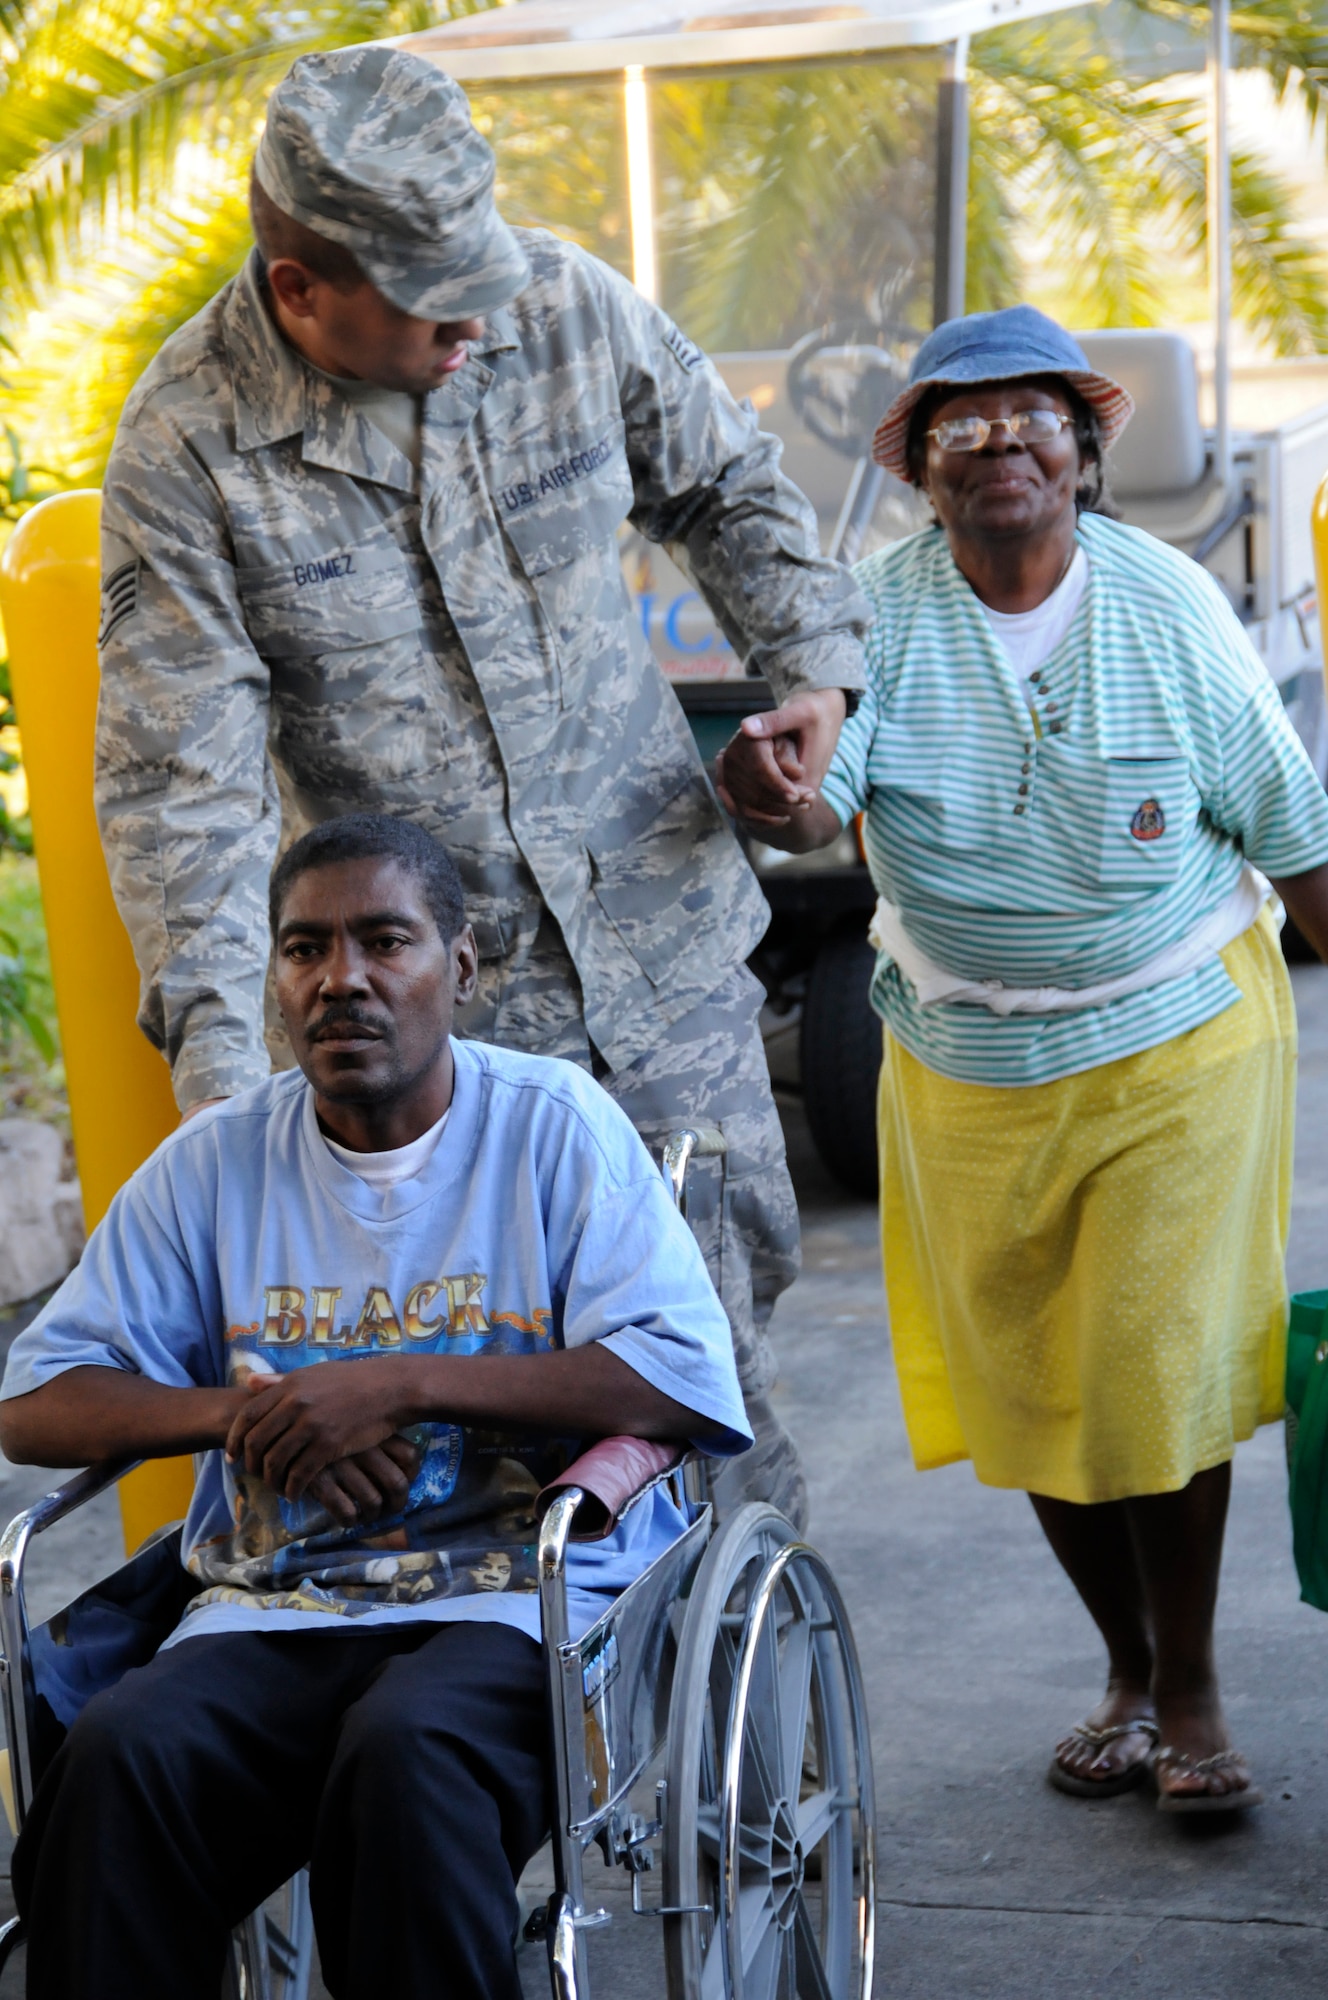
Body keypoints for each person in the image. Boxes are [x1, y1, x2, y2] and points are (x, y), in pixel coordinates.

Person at [94, 45, 869, 1530]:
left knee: (713, 1400)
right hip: (440, 1051)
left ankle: (742, 1747)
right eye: (425, 296)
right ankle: (548, 1757)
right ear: (300, 286)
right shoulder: (189, 448)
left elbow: (732, 487)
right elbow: (183, 810)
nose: (476, 316)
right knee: (470, 1456)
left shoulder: (562, 304)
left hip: (665, 985)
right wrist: (245, 1141)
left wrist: (815, 685)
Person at [717, 304, 1328, 1814]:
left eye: (1033, 416)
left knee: (1146, 1369)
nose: (1001, 442)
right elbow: (814, 793)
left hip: (1175, 1039)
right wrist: (769, 785)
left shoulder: (1171, 606)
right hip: (965, 1060)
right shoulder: (876, 614)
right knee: (1035, 1388)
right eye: (961, 424)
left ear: (1085, 450)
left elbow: (1294, 829)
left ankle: (1187, 1693)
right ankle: (1118, 1665)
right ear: (923, 469)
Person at [0, 813, 751, 1999]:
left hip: (514, 1598)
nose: (339, 977)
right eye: (303, 948)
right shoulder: (215, 1162)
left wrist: (395, 1383)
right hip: (277, 1597)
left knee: (409, 1752)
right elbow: (33, 1402)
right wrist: (258, 1420)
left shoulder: (549, 1127)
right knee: (116, 1755)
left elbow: (678, 1377)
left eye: (382, 940)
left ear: (459, 964)